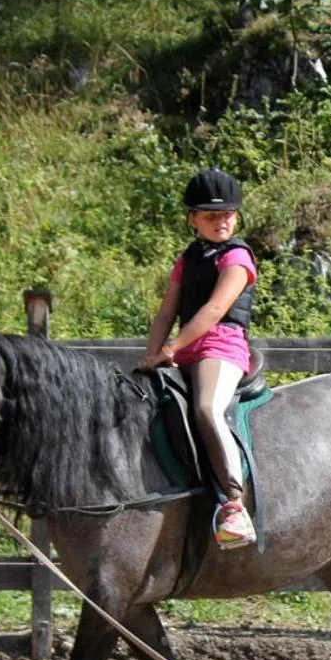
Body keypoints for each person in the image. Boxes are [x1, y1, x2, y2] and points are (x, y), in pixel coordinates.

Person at [140, 168, 260, 549]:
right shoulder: (187, 258)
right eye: (211, 216)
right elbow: (165, 313)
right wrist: (150, 356)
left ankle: (235, 505)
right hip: (186, 348)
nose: (221, 221)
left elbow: (213, 310)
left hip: (222, 345)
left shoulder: (238, 257)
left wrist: (170, 350)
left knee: (207, 408)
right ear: (192, 218)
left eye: (227, 214)